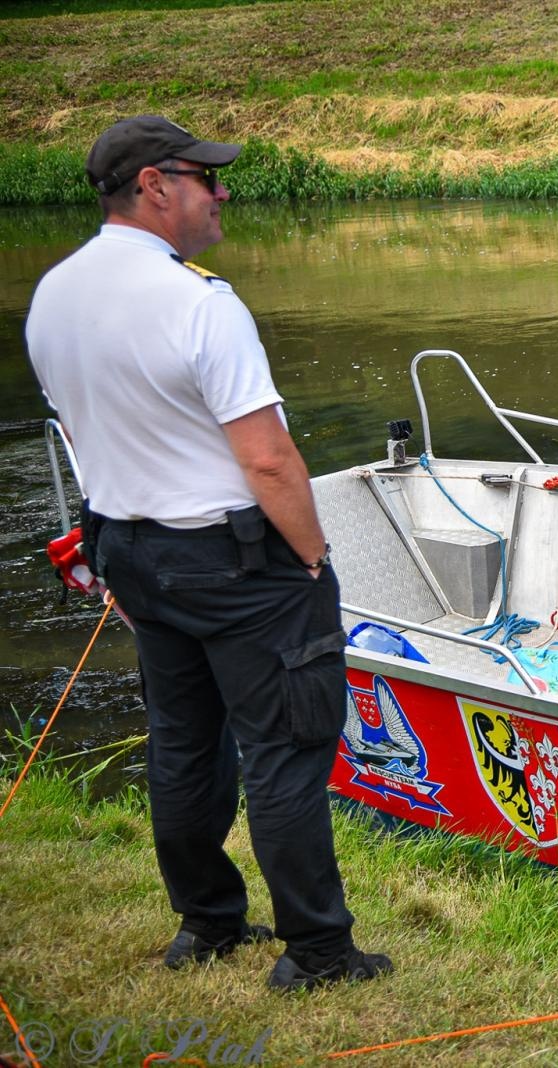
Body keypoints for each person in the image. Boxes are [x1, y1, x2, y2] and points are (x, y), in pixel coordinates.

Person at [24, 116, 390, 992]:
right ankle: (318, 952)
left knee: (183, 742)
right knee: (286, 747)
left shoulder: (54, 294)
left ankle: (208, 925)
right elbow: (267, 458)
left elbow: (85, 429)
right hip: (233, 561)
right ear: (155, 185)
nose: (221, 193)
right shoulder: (199, 301)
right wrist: (310, 559)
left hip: (132, 549)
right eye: (205, 178)